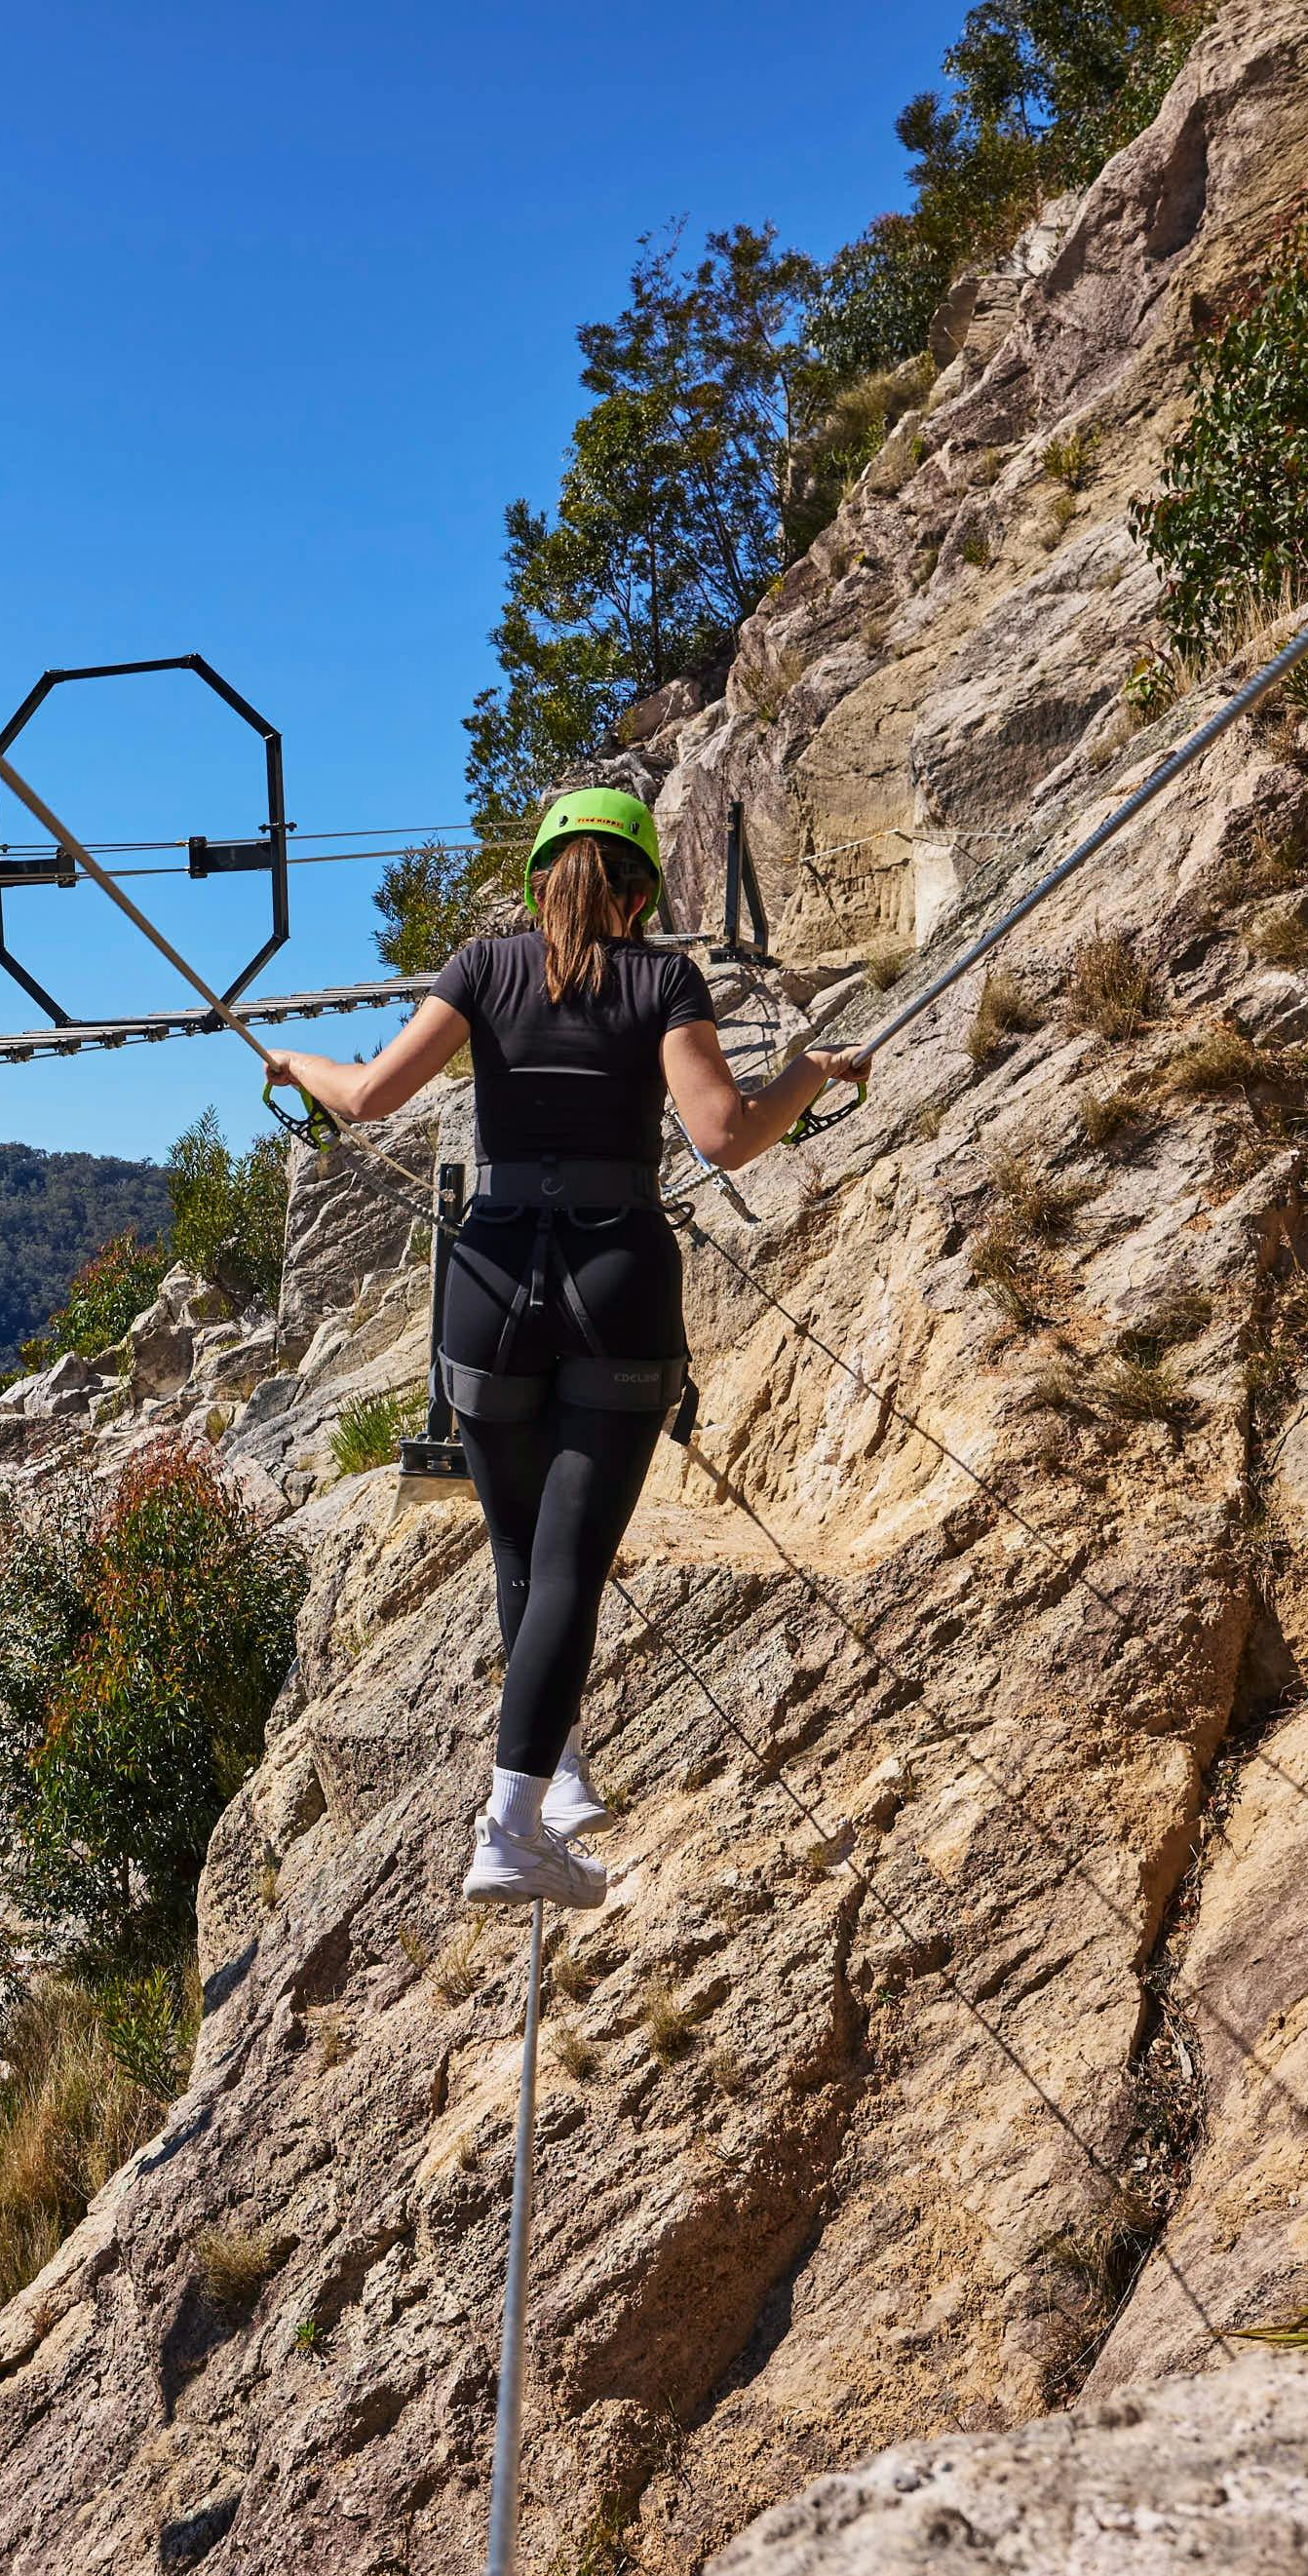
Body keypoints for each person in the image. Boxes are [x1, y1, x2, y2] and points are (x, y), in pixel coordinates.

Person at [262, 788, 870, 1908]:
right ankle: (511, 1821)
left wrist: (298, 1065)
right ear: (639, 889)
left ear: (539, 877)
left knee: (519, 1548)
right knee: (572, 1563)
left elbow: (372, 1094)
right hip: (614, 1279)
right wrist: (809, 1073)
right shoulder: (660, 980)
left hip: (487, 1285)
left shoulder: (481, 968)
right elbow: (722, 1135)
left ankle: (560, 1766)